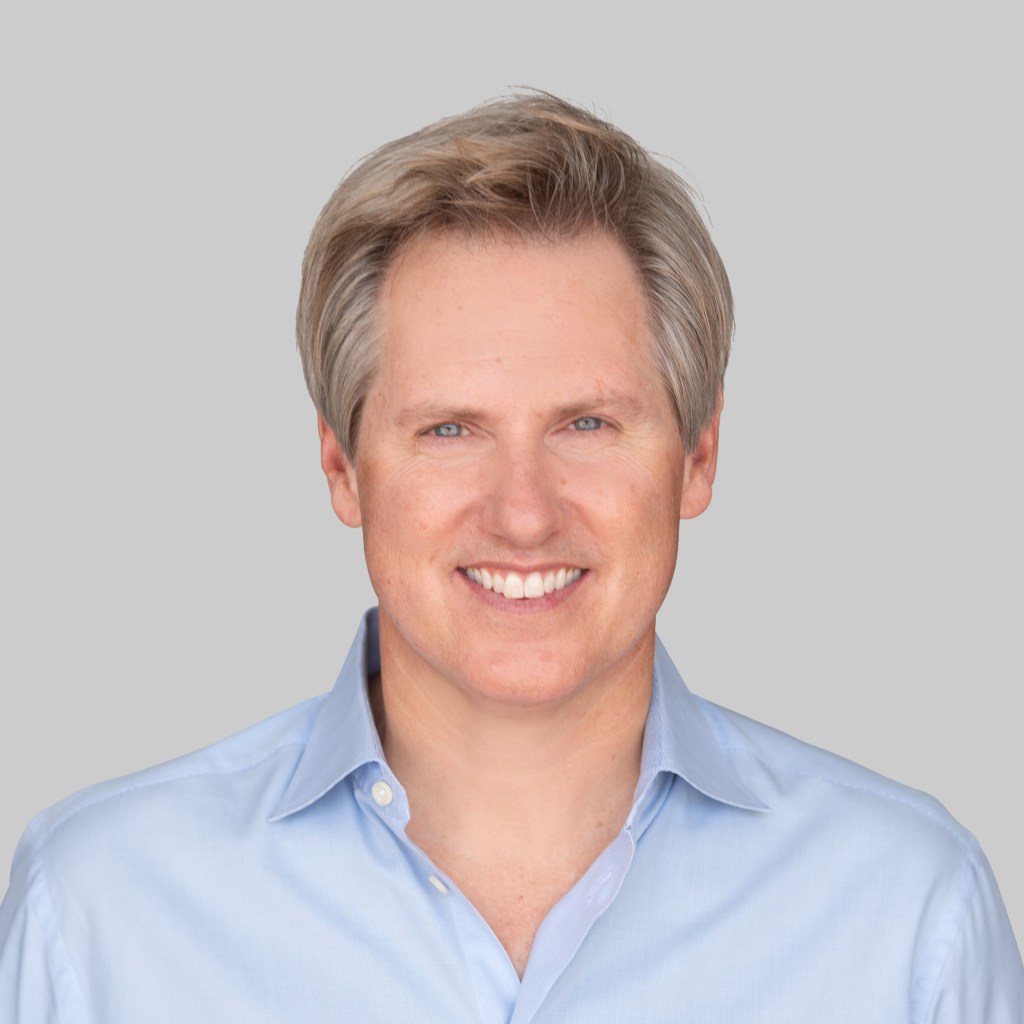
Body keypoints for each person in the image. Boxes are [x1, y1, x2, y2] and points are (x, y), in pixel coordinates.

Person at [1, 93, 1020, 1022]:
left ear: (698, 455)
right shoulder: (99, 915)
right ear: (342, 466)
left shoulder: (905, 916)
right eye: (450, 429)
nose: (524, 514)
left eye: (586, 423)